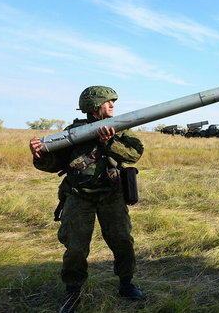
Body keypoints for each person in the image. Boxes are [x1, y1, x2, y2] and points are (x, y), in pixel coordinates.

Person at [29, 86, 144, 313]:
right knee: (75, 248)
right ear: (93, 106)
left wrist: (109, 143)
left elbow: (135, 154)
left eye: (114, 102)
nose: (112, 105)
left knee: (122, 241)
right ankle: (73, 292)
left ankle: (126, 284)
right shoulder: (72, 132)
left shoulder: (119, 130)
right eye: (108, 102)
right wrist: (39, 155)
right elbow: (54, 165)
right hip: (79, 197)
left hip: (112, 196)